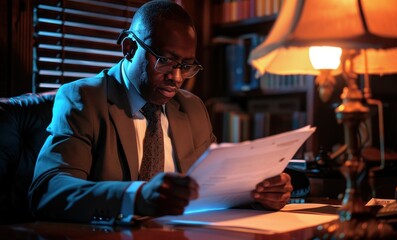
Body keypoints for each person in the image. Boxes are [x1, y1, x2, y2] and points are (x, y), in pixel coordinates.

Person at [29, 0, 293, 224]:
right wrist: (137, 196)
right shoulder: (84, 98)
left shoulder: (192, 107)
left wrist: (258, 194)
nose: (177, 78)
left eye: (186, 66)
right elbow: (48, 191)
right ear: (129, 49)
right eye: (165, 61)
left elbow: (213, 187)